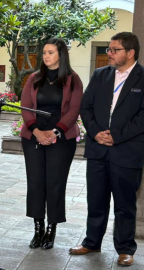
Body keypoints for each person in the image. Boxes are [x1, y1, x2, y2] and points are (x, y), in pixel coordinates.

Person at [70, 32, 144, 267]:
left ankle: (125, 249)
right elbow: (86, 106)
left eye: (114, 50)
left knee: (125, 204)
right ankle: (92, 242)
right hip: (98, 148)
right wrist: (94, 132)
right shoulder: (100, 74)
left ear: (130, 53)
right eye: (109, 49)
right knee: (96, 200)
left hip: (127, 151)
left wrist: (117, 136)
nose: (108, 54)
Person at [20, 38, 83, 250]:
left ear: (61, 55)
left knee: (55, 183)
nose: (46, 56)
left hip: (62, 138)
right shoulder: (34, 78)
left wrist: (55, 132)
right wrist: (37, 131)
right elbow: (26, 107)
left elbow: (74, 110)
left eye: (50, 52)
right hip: (34, 136)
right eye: (44, 53)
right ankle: (38, 228)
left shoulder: (73, 80)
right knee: (36, 182)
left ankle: (51, 229)